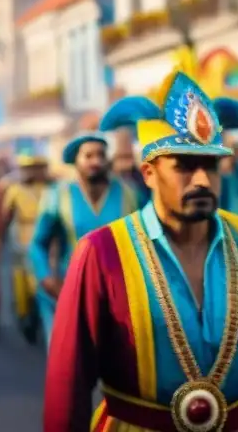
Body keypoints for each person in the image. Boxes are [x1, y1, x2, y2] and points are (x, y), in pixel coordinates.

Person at [45, 48, 238, 431]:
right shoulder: (102, 252)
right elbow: (69, 381)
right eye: (183, 166)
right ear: (148, 173)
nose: (201, 180)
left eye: (211, 165)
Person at [29, 131, 137, 349]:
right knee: (71, 360)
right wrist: (46, 278)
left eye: (101, 155)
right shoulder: (59, 195)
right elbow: (38, 244)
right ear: (75, 161)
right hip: (71, 289)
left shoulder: (129, 194)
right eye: (88, 156)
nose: (96, 161)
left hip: (120, 293)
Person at [0, 142, 52, 345]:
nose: (31, 172)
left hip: (46, 243)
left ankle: (40, 318)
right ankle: (25, 317)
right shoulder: (15, 190)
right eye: (28, 168)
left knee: (41, 283)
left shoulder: (51, 189)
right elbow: (6, 216)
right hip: (21, 241)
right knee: (22, 285)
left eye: (35, 168)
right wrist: (0, 240)